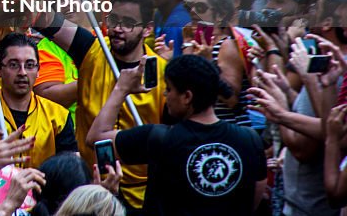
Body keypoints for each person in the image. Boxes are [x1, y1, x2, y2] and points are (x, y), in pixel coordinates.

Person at [35, 0, 167, 213]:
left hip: (140, 194)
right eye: (113, 20)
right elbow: (43, 19)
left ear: (147, 29)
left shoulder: (162, 74)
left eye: (128, 23)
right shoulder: (92, 50)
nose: (117, 28)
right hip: (88, 187)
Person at [87, 55, 266, 216]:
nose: (165, 94)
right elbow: (253, 201)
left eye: (169, 89)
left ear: (187, 97)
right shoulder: (250, 139)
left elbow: (96, 138)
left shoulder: (158, 138)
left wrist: (121, 89)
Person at [0, 33, 77, 167]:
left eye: (29, 65)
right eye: (14, 65)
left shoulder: (58, 116)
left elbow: (71, 170)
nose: (22, 72)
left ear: (38, 70)